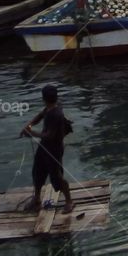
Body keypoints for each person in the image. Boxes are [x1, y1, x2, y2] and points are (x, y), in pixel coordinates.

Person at [20, 84, 73, 213]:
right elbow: (40, 115)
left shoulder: (56, 114)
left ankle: (69, 201)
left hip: (53, 149)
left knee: (57, 177)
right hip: (44, 147)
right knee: (37, 172)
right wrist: (29, 125)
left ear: (43, 98)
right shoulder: (50, 108)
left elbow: (49, 136)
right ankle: (37, 199)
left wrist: (32, 133)